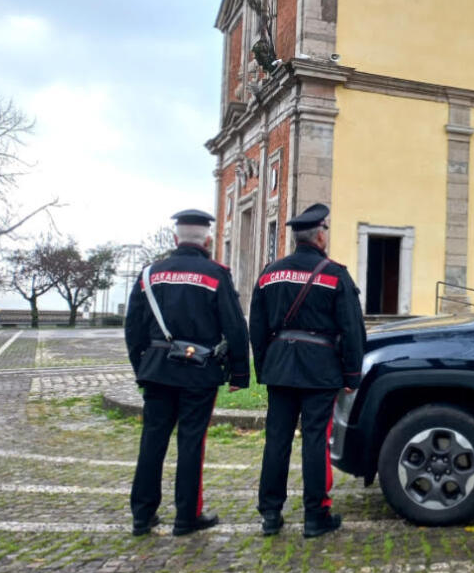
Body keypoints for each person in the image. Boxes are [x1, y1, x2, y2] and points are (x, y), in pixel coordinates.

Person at [125, 209, 250, 536]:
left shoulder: (150, 274)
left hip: (157, 369)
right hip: (199, 372)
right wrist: (239, 374)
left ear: (174, 238)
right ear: (208, 240)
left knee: (152, 441)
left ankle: (142, 514)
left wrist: (142, 368)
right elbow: (235, 326)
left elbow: (133, 328)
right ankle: (186, 517)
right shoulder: (215, 274)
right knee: (192, 443)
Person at [250, 203, 365, 538]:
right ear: (319, 235)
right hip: (320, 368)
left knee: (277, 441)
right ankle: (316, 515)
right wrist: (351, 374)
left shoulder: (270, 272)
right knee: (315, 440)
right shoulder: (335, 273)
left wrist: (263, 367)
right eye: (325, 231)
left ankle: (270, 514)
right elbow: (352, 328)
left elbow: (256, 327)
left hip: (280, 367)